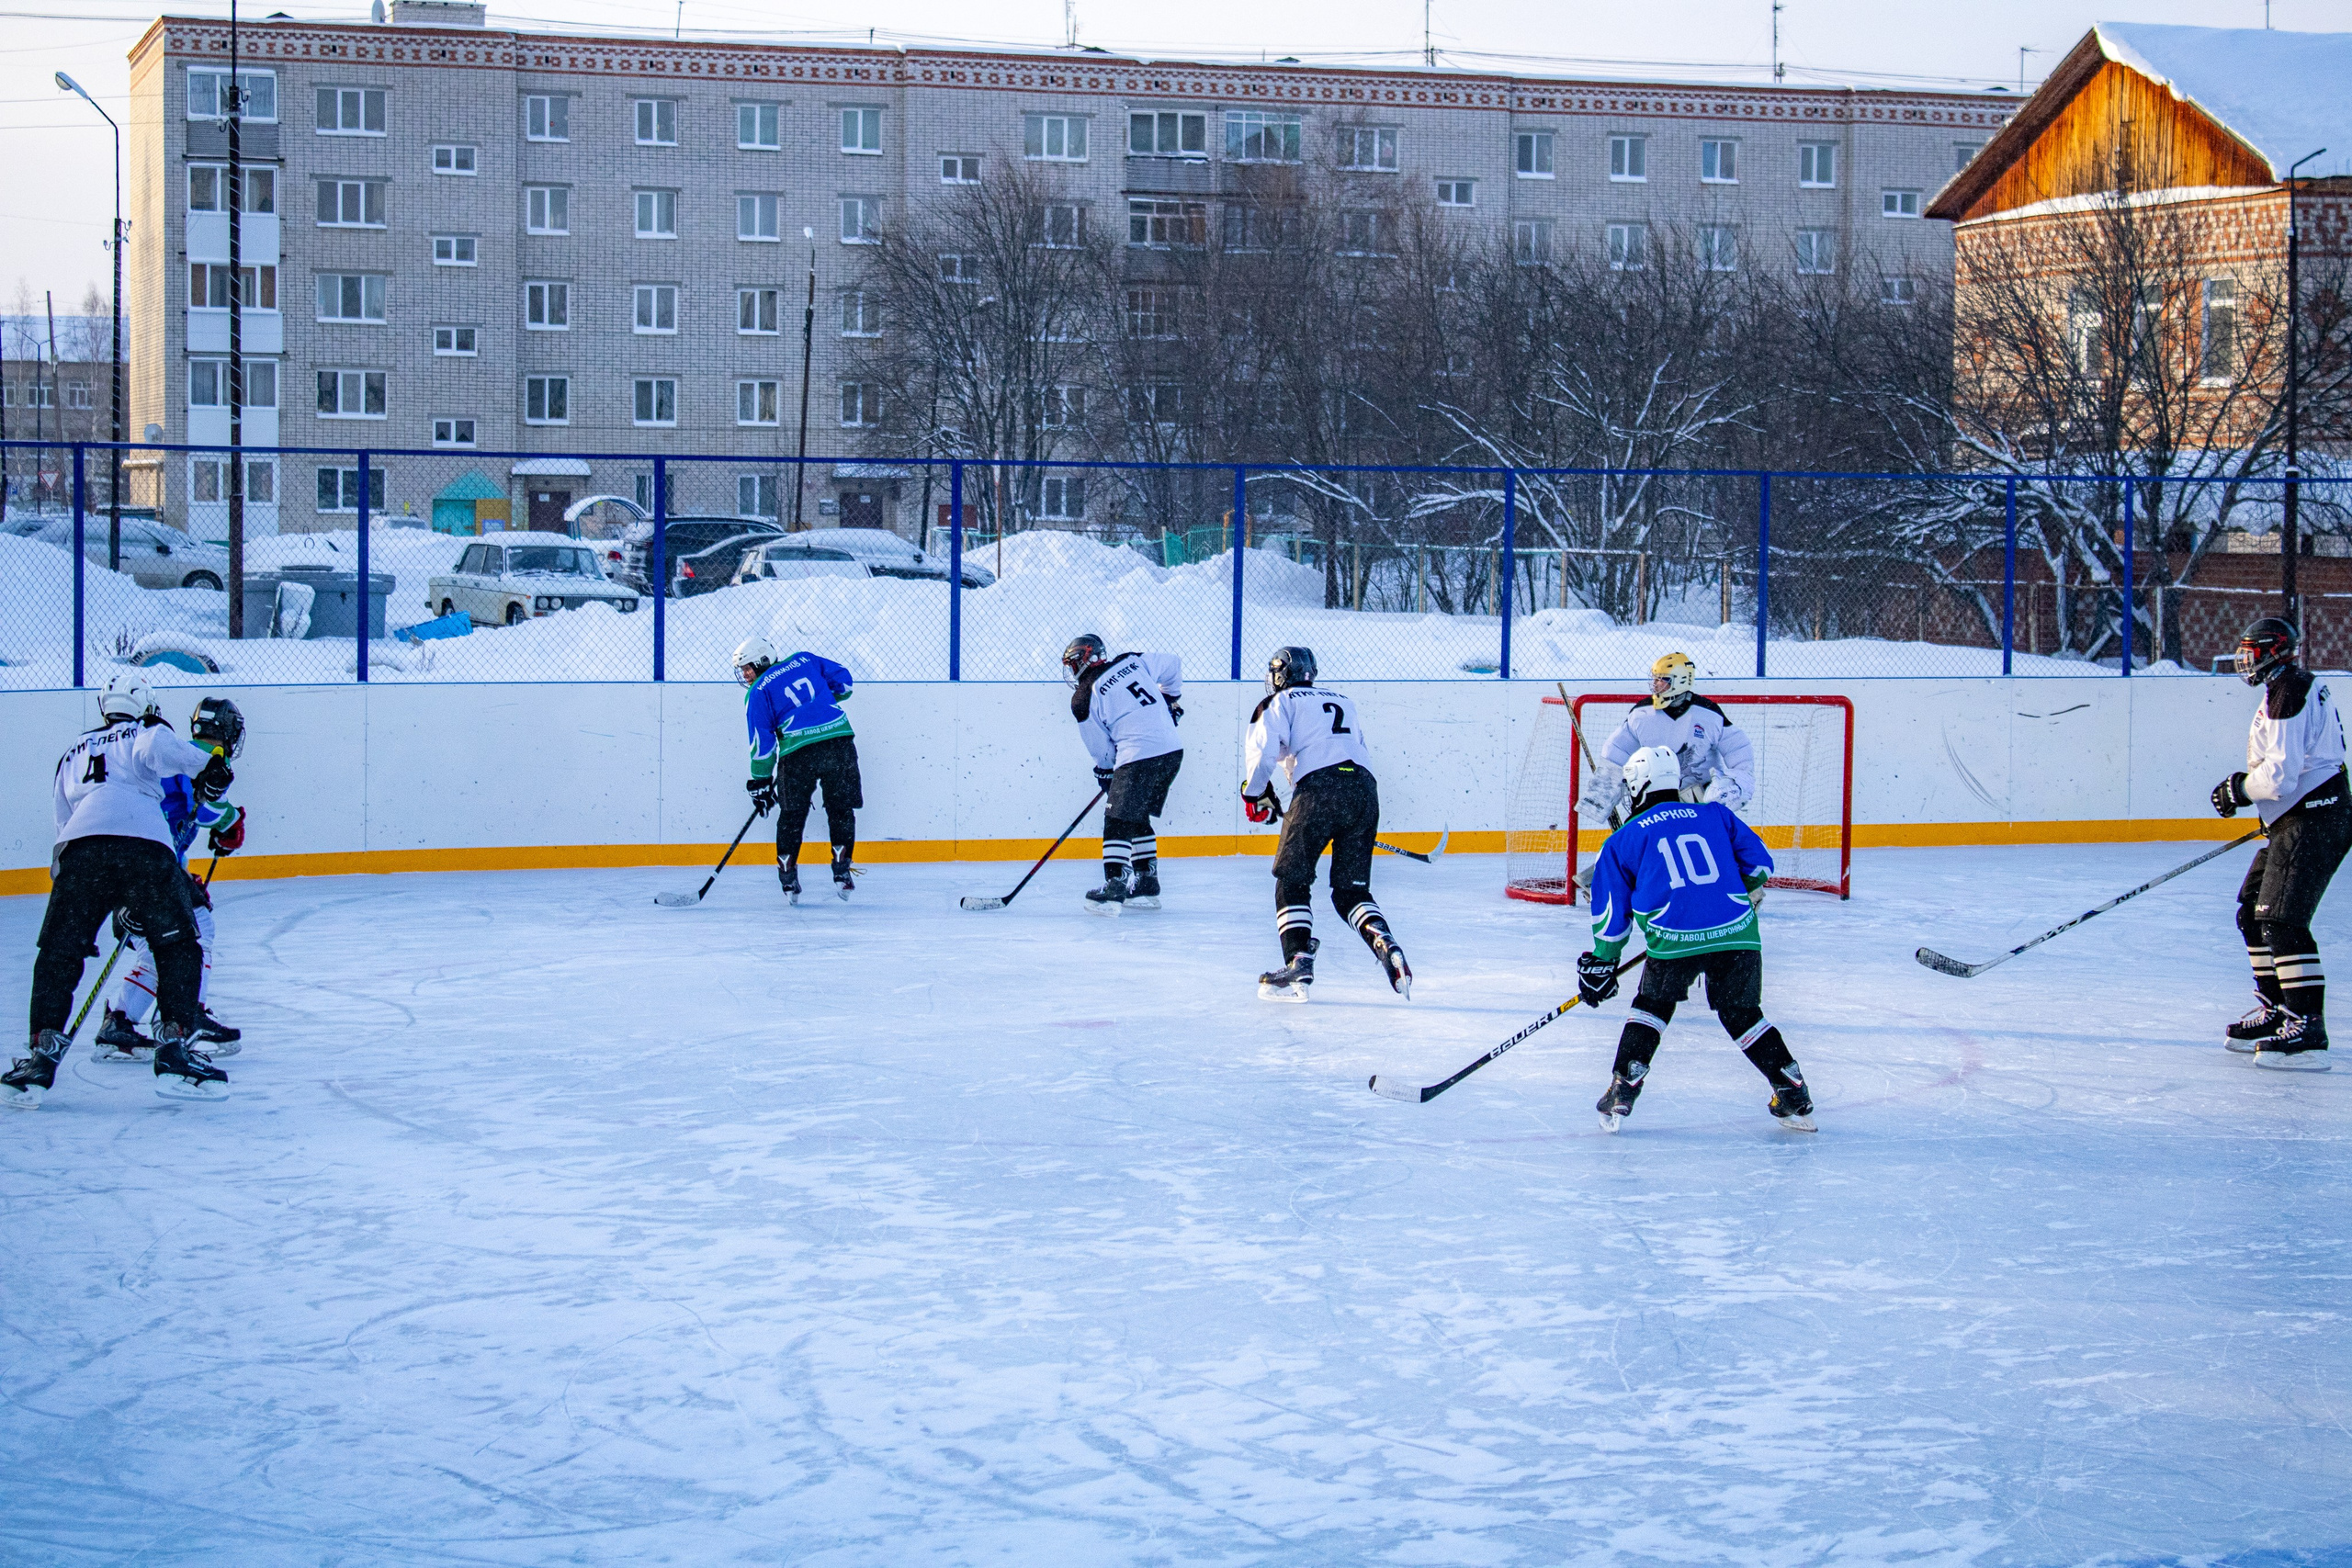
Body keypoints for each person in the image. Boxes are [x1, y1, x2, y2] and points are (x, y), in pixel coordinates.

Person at [4, 672, 232, 1107]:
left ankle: (41, 1056)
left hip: (79, 850)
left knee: (60, 952)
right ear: (146, 704)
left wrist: (76, 883)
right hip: (144, 847)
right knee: (178, 944)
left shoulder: (73, 750)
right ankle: (174, 1049)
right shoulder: (145, 729)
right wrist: (210, 769)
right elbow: (161, 751)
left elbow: (62, 813)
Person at [1579, 743, 1814, 1134]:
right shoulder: (1716, 815)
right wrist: (1724, 899)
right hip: (1737, 931)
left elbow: (1611, 913)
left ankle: (1623, 1088)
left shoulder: (1624, 839)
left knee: (1652, 1006)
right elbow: (1758, 867)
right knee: (1742, 1014)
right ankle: (1792, 1089)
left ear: (1636, 785)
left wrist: (1604, 959)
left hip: (1674, 938)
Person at [2213, 616, 2346, 1070]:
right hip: (2298, 818)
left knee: (2283, 918)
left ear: (2275, 651)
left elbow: (2280, 777)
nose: (2245, 659)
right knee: (2253, 910)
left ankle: (2307, 1026)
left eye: (2253, 650)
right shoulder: (2288, 685)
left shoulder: (2289, 690)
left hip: (2315, 819)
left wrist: (2238, 789)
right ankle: (2276, 1011)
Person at [1241, 646, 1410, 1001]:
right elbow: (1337, 747)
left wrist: (1253, 792)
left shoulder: (1278, 702)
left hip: (1319, 790)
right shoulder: (1342, 700)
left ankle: (1298, 960)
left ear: (1280, 673)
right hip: (1364, 790)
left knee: (1291, 877)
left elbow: (1263, 754)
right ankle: (1385, 943)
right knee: (1351, 892)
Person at [97, 696, 248, 1062]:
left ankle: (118, 1024)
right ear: (228, 731)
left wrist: (181, 875)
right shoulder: (203, 755)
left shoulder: (174, 752)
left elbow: (174, 814)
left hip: (122, 863)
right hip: (147, 866)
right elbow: (205, 806)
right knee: (201, 928)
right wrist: (231, 822)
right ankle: (189, 1015)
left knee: (156, 947)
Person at [1061, 633, 1184, 914]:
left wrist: (1106, 773)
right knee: (1135, 812)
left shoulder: (1083, 696)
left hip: (1139, 756)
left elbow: (1101, 750)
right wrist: (1170, 700)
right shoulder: (1132, 661)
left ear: (1082, 660)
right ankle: (1146, 884)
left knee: (1116, 817)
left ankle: (1115, 885)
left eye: (1072, 664)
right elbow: (1173, 664)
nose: (1070, 670)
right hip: (1172, 752)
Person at [737, 637, 862, 904]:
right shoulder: (805, 659)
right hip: (838, 741)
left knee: (792, 814)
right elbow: (846, 684)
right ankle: (842, 869)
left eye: (748, 667)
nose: (746, 674)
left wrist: (760, 780)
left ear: (762, 660)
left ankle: (787, 874)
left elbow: (762, 742)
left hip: (798, 753)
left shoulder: (758, 691)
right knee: (841, 808)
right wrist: (820, 701)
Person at [1582, 651, 1758, 825]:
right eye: (1655, 679)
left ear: (1681, 681)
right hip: (1655, 803)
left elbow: (1739, 752)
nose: (1656, 684)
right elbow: (1616, 751)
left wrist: (1734, 784)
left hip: (1700, 805)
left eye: (1663, 680)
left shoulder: (1709, 715)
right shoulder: (1641, 714)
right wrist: (1603, 790)